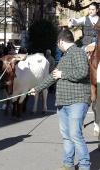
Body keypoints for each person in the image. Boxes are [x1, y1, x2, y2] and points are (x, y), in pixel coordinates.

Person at [28, 29, 91, 170]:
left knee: (75, 135)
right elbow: (52, 77)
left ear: (61, 41)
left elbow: (82, 71)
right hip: (63, 102)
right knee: (67, 136)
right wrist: (36, 89)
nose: (58, 45)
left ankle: (85, 166)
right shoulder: (64, 56)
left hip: (77, 100)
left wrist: (63, 74)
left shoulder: (78, 52)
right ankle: (68, 164)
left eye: (57, 43)